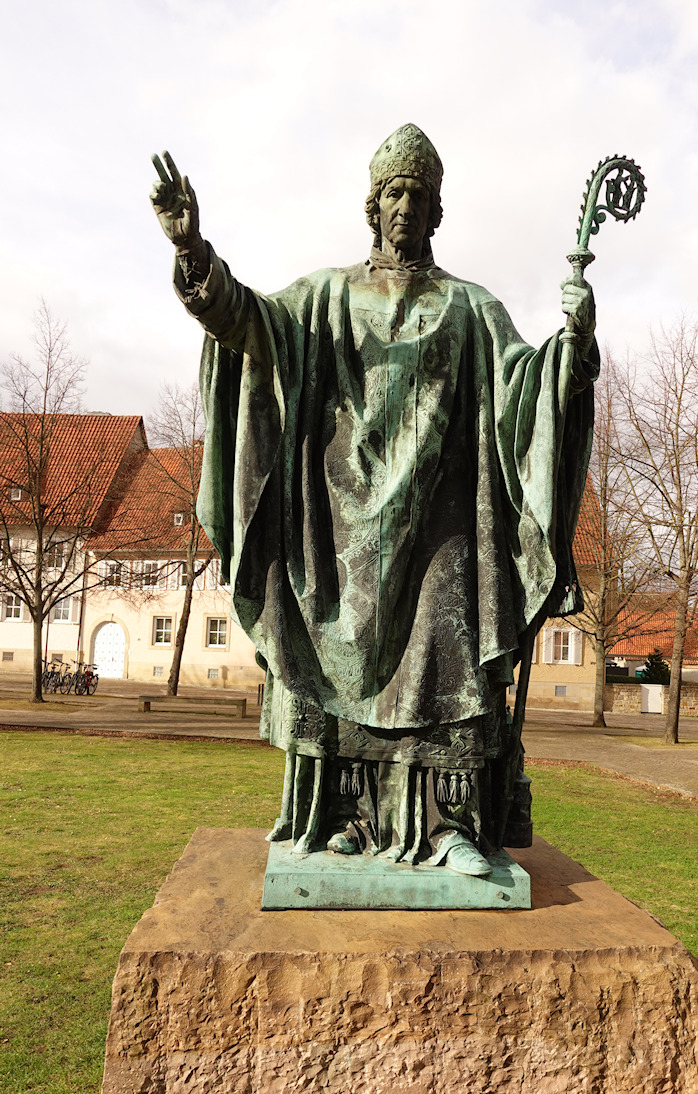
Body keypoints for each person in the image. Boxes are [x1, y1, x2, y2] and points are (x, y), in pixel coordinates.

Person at [150, 125, 597, 878]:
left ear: (436, 211)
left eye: (419, 196)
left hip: (441, 528)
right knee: (337, 658)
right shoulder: (325, 296)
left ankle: (452, 827)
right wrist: (192, 251)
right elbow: (244, 321)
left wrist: (573, 342)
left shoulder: (469, 307)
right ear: (373, 205)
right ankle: (345, 818)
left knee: (447, 657)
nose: (405, 207)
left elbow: (527, 390)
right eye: (394, 193)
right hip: (336, 528)